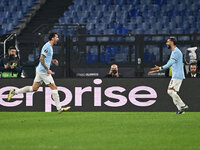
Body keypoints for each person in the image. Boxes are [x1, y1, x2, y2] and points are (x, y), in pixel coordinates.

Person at [7, 32, 70, 113]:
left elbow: (45, 58)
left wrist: (52, 60)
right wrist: (47, 69)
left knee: (34, 88)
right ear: (52, 38)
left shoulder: (50, 47)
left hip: (40, 70)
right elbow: (41, 59)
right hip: (43, 71)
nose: (58, 39)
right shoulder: (47, 46)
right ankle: (59, 108)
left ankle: (14, 92)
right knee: (54, 88)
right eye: (57, 37)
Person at [149, 37, 188, 114]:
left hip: (177, 75)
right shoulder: (174, 51)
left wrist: (159, 68)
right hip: (178, 75)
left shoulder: (176, 52)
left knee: (169, 91)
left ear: (172, 42)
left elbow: (169, 64)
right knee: (172, 92)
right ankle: (181, 110)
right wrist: (158, 70)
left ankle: (183, 105)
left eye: (168, 42)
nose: (166, 43)